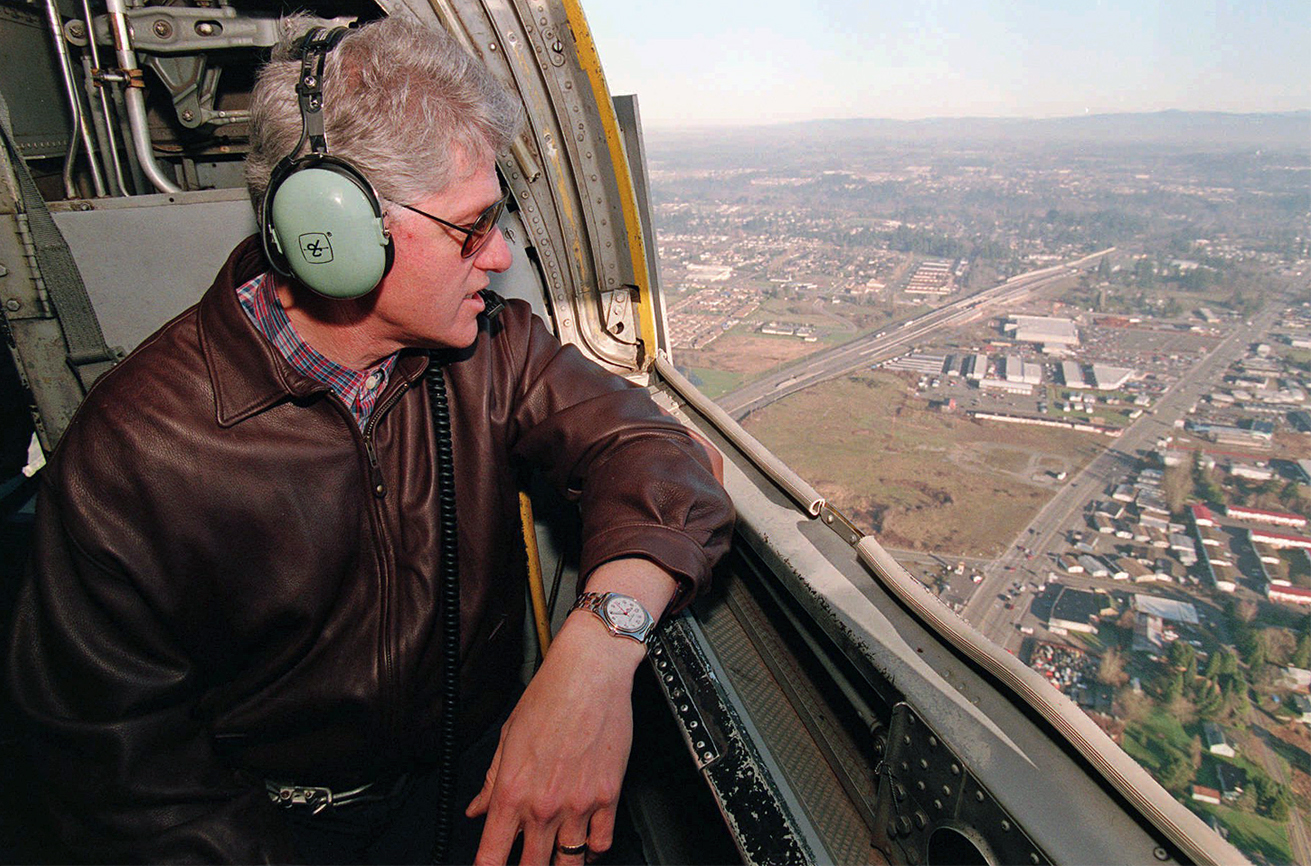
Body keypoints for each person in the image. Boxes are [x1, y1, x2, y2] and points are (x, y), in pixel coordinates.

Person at [6, 15, 733, 865]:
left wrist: (595, 655)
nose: (499, 257)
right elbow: (115, 773)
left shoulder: (495, 349)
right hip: (267, 832)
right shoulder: (133, 452)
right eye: (471, 227)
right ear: (334, 236)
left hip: (475, 775)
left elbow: (662, 451)